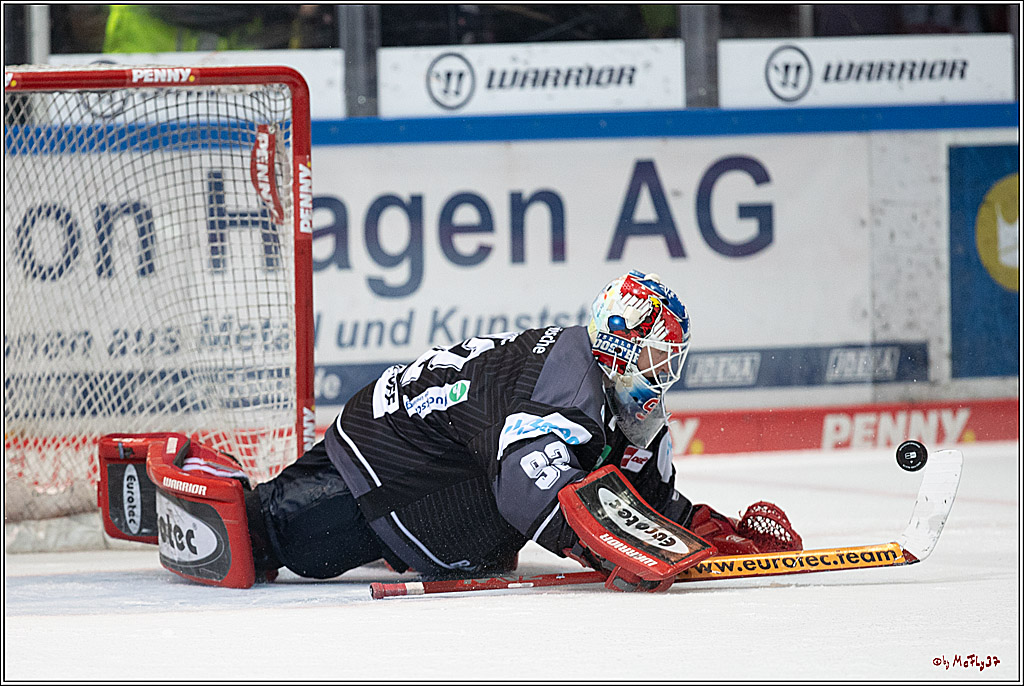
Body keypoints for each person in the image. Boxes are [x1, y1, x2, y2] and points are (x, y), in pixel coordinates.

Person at [102, 270, 801, 591]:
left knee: (479, 534)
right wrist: (606, 551)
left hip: (427, 453)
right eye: (654, 354)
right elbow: (532, 492)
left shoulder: (622, 396)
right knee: (272, 542)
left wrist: (700, 526)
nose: (663, 370)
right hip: (385, 454)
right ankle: (197, 490)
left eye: (669, 358)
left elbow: (638, 488)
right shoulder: (570, 381)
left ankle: (388, 541)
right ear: (617, 345)